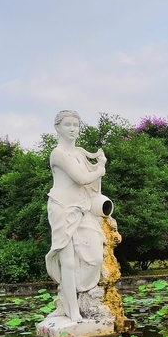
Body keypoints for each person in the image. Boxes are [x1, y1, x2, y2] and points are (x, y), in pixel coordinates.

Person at [44, 110, 107, 322]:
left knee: (96, 255)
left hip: (81, 208)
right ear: (57, 128)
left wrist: (99, 164)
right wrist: (100, 170)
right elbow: (81, 178)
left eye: (76, 125)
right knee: (68, 263)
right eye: (68, 125)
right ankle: (72, 310)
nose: (72, 129)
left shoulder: (80, 152)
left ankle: (67, 301)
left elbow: (92, 186)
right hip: (62, 209)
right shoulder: (57, 154)